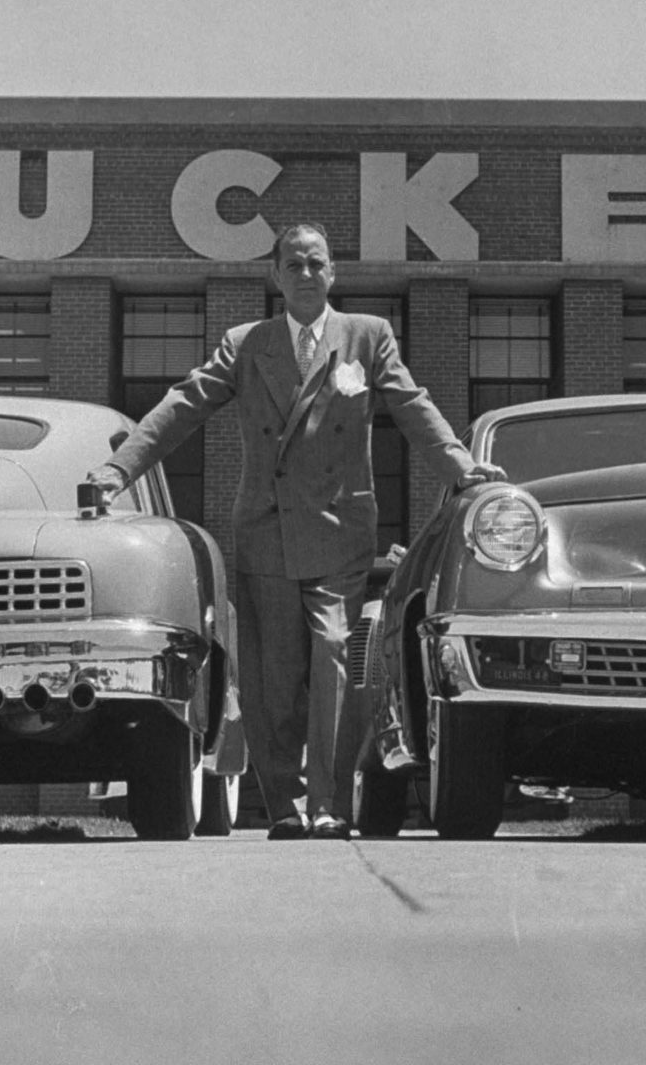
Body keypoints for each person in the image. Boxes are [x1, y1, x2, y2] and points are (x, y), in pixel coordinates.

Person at [86, 223, 504, 840]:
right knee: (273, 677)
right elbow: (184, 405)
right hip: (267, 530)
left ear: (333, 272)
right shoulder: (246, 344)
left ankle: (328, 806)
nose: (306, 274)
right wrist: (120, 469)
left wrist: (462, 467)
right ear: (276, 276)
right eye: (294, 265)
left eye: (316, 263)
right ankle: (285, 806)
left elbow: (413, 406)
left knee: (334, 654)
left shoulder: (367, 335)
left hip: (340, 529)